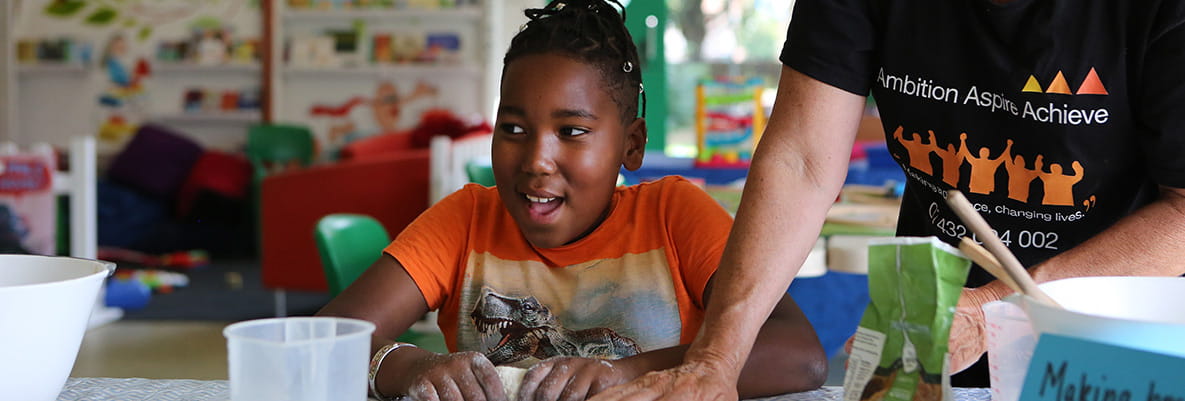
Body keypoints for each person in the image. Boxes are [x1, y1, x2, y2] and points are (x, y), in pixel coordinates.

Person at [591, 0, 1185, 399]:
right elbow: (801, 160)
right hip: (930, 313)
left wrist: (991, 311)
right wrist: (716, 358)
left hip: (1125, 331)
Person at [315, 1, 828, 400]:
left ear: (632, 144)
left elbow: (800, 356)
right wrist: (413, 367)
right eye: (513, 128)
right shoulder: (465, 221)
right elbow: (323, 342)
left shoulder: (676, 216)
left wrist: (621, 374)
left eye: (572, 130)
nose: (537, 159)